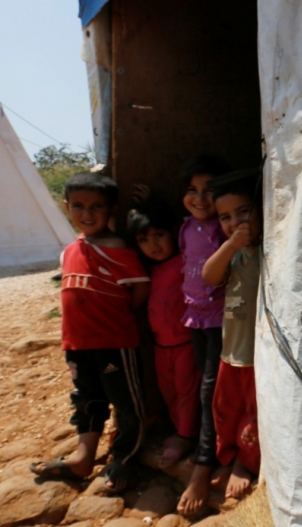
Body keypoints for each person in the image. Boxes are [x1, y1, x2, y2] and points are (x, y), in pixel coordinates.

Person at [30, 173, 150, 492]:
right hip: (77, 344)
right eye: (79, 206)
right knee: (87, 400)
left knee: (126, 404)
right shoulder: (70, 250)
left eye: (97, 206)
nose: (88, 213)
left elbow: (139, 291)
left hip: (114, 342)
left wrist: (117, 317)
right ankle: (83, 458)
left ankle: (125, 461)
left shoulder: (118, 247)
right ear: (66, 206)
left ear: (112, 208)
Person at [175, 155, 231, 515]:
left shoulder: (222, 228)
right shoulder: (185, 228)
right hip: (195, 317)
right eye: (192, 191)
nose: (199, 198)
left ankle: (204, 463)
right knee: (202, 385)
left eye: (208, 192)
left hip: (222, 319)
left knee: (213, 388)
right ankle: (203, 444)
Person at [202, 169, 262, 500]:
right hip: (232, 351)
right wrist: (229, 244)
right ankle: (227, 454)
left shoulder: (271, 249)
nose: (234, 221)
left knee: (255, 414)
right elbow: (209, 276)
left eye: (243, 211)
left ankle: (245, 462)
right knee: (224, 408)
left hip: (257, 356)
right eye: (225, 217)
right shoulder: (234, 253)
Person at [126, 201, 201, 468]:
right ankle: (181, 430)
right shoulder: (147, 270)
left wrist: (153, 196)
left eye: (159, 235)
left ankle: (186, 436)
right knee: (168, 391)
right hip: (160, 346)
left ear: (173, 232)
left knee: (187, 391)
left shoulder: (185, 261)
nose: (153, 245)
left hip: (185, 344)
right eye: (144, 239)